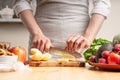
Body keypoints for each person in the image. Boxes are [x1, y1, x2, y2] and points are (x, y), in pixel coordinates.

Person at [13, 0, 111, 54]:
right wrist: (37, 34)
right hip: (41, 47)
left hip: (81, 49)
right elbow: (21, 1)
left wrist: (87, 38)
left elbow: (102, 2)